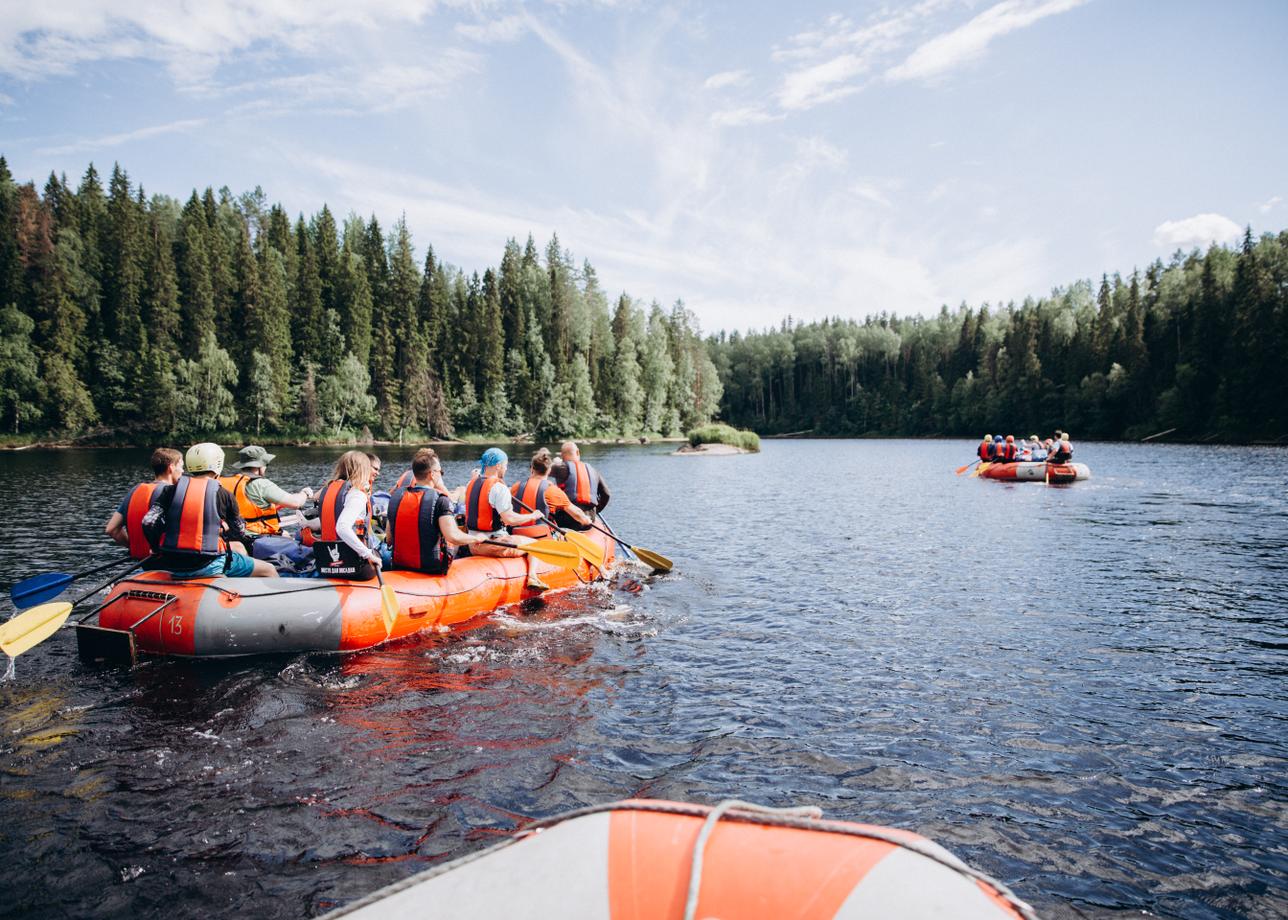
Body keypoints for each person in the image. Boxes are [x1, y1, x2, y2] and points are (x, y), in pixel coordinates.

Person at [140, 443, 277, 578]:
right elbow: (239, 531)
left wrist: (156, 548)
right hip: (209, 564)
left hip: (172, 564)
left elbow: (148, 522)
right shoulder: (224, 494)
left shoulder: (170, 490)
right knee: (269, 570)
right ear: (218, 464)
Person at [463, 447, 549, 592]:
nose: (506, 469)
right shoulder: (498, 487)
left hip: (472, 544)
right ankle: (533, 577)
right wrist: (532, 516)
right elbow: (509, 519)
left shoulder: (470, 484)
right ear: (498, 466)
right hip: (491, 544)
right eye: (506, 465)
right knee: (536, 545)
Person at [386, 448, 483, 575]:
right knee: (460, 541)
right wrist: (475, 538)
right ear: (432, 474)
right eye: (440, 472)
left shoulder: (396, 496)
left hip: (400, 564)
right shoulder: (441, 500)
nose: (441, 474)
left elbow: (389, 538)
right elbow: (453, 537)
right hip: (430, 567)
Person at [314, 450, 384, 580]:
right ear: (362, 469)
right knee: (385, 555)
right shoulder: (357, 494)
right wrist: (368, 555)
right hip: (356, 567)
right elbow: (342, 527)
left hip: (327, 565)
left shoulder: (330, 488)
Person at [105, 447, 184, 560]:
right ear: (171, 468)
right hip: (167, 561)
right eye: (181, 467)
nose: (183, 471)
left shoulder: (134, 491)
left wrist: (132, 547)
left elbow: (111, 529)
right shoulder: (175, 493)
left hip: (142, 562)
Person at [218, 445, 314, 536]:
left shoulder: (224, 482)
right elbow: (296, 503)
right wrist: (304, 493)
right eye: (266, 464)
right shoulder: (261, 484)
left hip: (232, 534)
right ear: (259, 466)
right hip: (256, 537)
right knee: (290, 536)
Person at [511, 448, 592, 538]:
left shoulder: (516, 487)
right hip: (542, 537)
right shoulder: (553, 491)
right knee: (568, 532)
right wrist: (586, 520)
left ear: (532, 468)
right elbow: (576, 513)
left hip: (518, 534)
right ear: (549, 471)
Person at [551, 440, 610, 530]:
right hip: (589, 519)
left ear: (562, 455)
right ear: (578, 452)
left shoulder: (560, 468)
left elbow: (539, 470)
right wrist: (596, 510)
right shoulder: (594, 471)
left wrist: (555, 463)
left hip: (566, 520)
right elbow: (606, 495)